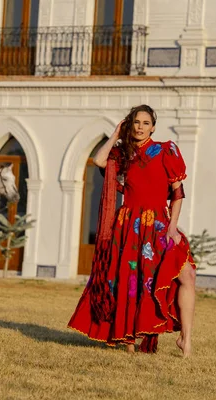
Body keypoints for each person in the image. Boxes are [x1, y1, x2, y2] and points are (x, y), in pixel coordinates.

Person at [68, 105, 197, 357]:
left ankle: (186, 339)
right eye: (136, 122)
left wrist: (173, 227)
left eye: (145, 123)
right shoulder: (121, 153)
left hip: (160, 224)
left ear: (153, 127)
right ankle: (128, 339)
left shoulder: (166, 150)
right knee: (133, 285)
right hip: (130, 225)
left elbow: (178, 193)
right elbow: (98, 160)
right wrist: (116, 133)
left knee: (188, 275)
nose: (140, 127)